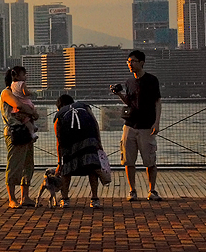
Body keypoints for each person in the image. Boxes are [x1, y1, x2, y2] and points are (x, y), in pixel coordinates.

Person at [111, 49, 162, 202]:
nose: (130, 64)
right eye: (128, 62)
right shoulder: (129, 82)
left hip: (147, 125)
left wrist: (157, 122)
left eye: (132, 61)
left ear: (142, 62)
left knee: (149, 160)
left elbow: (157, 102)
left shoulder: (152, 80)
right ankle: (132, 190)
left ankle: (152, 190)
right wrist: (119, 94)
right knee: (128, 160)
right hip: (130, 125)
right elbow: (129, 101)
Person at [54, 94, 103, 209]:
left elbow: (59, 140)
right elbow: (95, 123)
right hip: (89, 139)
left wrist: (59, 163)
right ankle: (94, 199)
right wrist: (98, 143)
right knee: (92, 169)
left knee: (66, 170)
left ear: (59, 106)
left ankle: (65, 199)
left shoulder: (60, 114)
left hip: (69, 143)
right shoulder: (84, 106)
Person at [0, 66, 39, 208]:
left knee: (28, 164)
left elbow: (29, 110)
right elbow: (18, 106)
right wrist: (32, 112)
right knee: (14, 165)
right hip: (14, 132)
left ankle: (25, 196)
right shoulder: (6, 93)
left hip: (26, 132)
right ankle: (12, 198)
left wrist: (31, 113)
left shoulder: (21, 95)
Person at [10, 68, 38, 142]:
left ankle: (33, 131)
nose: (25, 76)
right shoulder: (22, 83)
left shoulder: (12, 85)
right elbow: (25, 92)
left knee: (26, 120)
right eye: (23, 75)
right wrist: (30, 93)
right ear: (18, 77)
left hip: (17, 102)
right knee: (33, 112)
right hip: (25, 102)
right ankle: (33, 131)